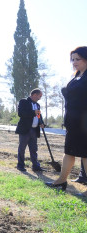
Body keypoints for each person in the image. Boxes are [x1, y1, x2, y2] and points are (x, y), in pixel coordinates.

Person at [46, 46, 87, 193]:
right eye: (73, 59)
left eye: (78, 59)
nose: (74, 62)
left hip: (84, 123)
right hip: (72, 122)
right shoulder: (76, 76)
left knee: (85, 154)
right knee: (69, 152)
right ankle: (61, 180)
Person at [15, 88, 45, 172]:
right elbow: (21, 113)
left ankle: (35, 166)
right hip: (25, 130)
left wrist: (41, 123)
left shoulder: (38, 105)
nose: (40, 98)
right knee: (22, 148)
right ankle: (20, 165)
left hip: (34, 130)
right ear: (34, 95)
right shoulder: (23, 101)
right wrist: (33, 112)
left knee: (34, 149)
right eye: (39, 96)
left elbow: (39, 116)